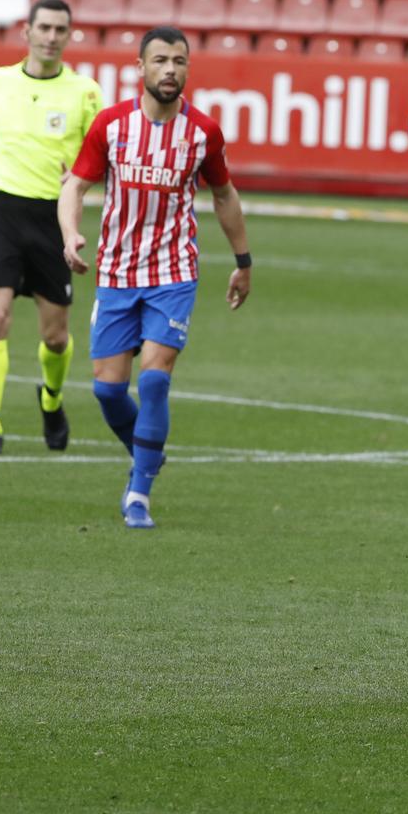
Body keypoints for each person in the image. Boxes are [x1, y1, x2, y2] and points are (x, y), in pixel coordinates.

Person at [58, 27, 252, 530]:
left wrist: (243, 260)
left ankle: (138, 493)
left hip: (174, 271)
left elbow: (224, 195)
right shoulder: (111, 125)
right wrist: (70, 236)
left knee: (155, 380)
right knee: (106, 390)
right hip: (117, 271)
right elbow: (75, 186)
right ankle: (147, 452)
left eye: (180, 61)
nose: (171, 69)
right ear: (139, 68)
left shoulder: (203, 132)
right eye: (161, 60)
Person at [0, 0, 102, 455]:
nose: (52, 37)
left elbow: (103, 159)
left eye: (60, 30)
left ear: (69, 36)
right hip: (3, 212)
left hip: (54, 219)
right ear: (26, 32)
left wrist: (82, 179)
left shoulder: (85, 93)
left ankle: (51, 399)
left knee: (55, 335)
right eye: (44, 28)